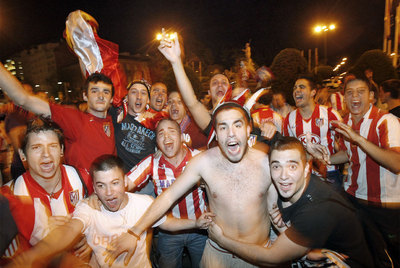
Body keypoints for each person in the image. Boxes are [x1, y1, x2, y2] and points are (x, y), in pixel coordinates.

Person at [103, 102, 275, 268]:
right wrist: (133, 230)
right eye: (223, 127)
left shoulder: (267, 163)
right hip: (208, 249)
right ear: (216, 133)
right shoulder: (202, 162)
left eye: (237, 125)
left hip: (247, 250)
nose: (230, 133)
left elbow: (281, 209)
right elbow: (167, 196)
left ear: (248, 129)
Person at [10, 155, 211, 268]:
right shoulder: (88, 207)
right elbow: (69, 230)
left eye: (115, 183)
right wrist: (36, 254)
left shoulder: (143, 203)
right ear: (94, 188)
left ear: (125, 182)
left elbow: (166, 222)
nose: (109, 193)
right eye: (101, 186)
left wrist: (195, 223)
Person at [207, 136, 373, 267]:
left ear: (307, 168)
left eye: (292, 166)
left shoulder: (318, 210)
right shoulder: (290, 186)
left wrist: (222, 241)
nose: (283, 175)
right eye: (276, 166)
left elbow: (271, 258)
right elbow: (254, 151)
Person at [309, 75, 400, 267]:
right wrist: (322, 157)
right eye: (349, 93)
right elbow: (349, 153)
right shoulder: (347, 121)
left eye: (360, 92)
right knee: (361, 255)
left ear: (371, 96)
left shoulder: (386, 121)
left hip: (384, 205)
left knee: (388, 259)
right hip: (354, 198)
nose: (354, 97)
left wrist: (358, 139)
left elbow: (396, 163)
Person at [1, 118, 92, 262]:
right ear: (22, 154)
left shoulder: (84, 179)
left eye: (53, 146)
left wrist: (92, 239)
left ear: (61, 150)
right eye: (36, 147)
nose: (46, 154)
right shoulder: (9, 199)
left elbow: (107, 215)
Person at [0, 65, 116, 170]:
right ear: (85, 96)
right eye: (94, 91)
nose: (101, 96)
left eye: (106, 92)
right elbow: (24, 99)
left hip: (110, 191)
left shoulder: (115, 121)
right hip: (84, 192)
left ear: (111, 98)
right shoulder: (75, 120)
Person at [126, 118, 207, 268]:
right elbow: (124, 183)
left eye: (172, 132)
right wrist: (96, 196)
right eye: (161, 134)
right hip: (169, 233)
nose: (167, 137)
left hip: (199, 230)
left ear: (182, 136)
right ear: (156, 141)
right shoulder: (152, 162)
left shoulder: (199, 158)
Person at [283, 74, 342, 186]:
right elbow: (288, 149)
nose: (296, 91)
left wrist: (325, 160)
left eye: (301, 87)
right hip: (303, 174)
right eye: (295, 88)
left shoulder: (330, 114)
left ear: (313, 92)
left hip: (330, 174)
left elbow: (346, 147)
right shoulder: (289, 118)